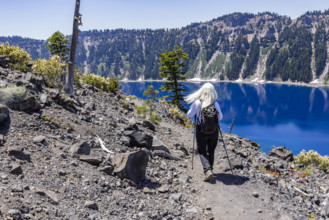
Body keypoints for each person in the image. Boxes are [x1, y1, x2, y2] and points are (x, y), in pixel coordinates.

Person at [185, 83, 223, 181]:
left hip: (201, 131)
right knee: (211, 151)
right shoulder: (215, 103)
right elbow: (220, 117)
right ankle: (210, 169)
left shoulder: (198, 103)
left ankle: (207, 171)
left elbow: (189, 115)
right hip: (214, 132)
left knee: (202, 151)